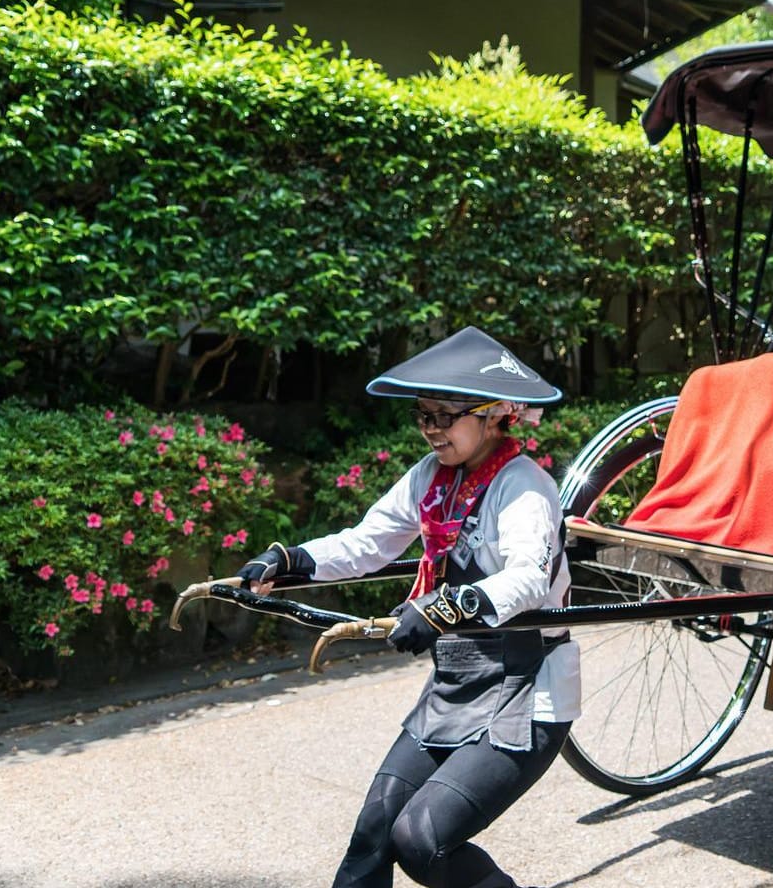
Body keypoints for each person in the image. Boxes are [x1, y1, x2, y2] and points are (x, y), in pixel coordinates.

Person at [235, 326, 576, 888]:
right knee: (373, 831)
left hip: (526, 689)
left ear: (494, 414)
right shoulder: (431, 478)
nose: (432, 428)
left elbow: (528, 581)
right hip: (458, 684)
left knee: (423, 840)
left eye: (446, 414)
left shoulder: (525, 486)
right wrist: (290, 558)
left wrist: (441, 608)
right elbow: (368, 542)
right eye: (423, 414)